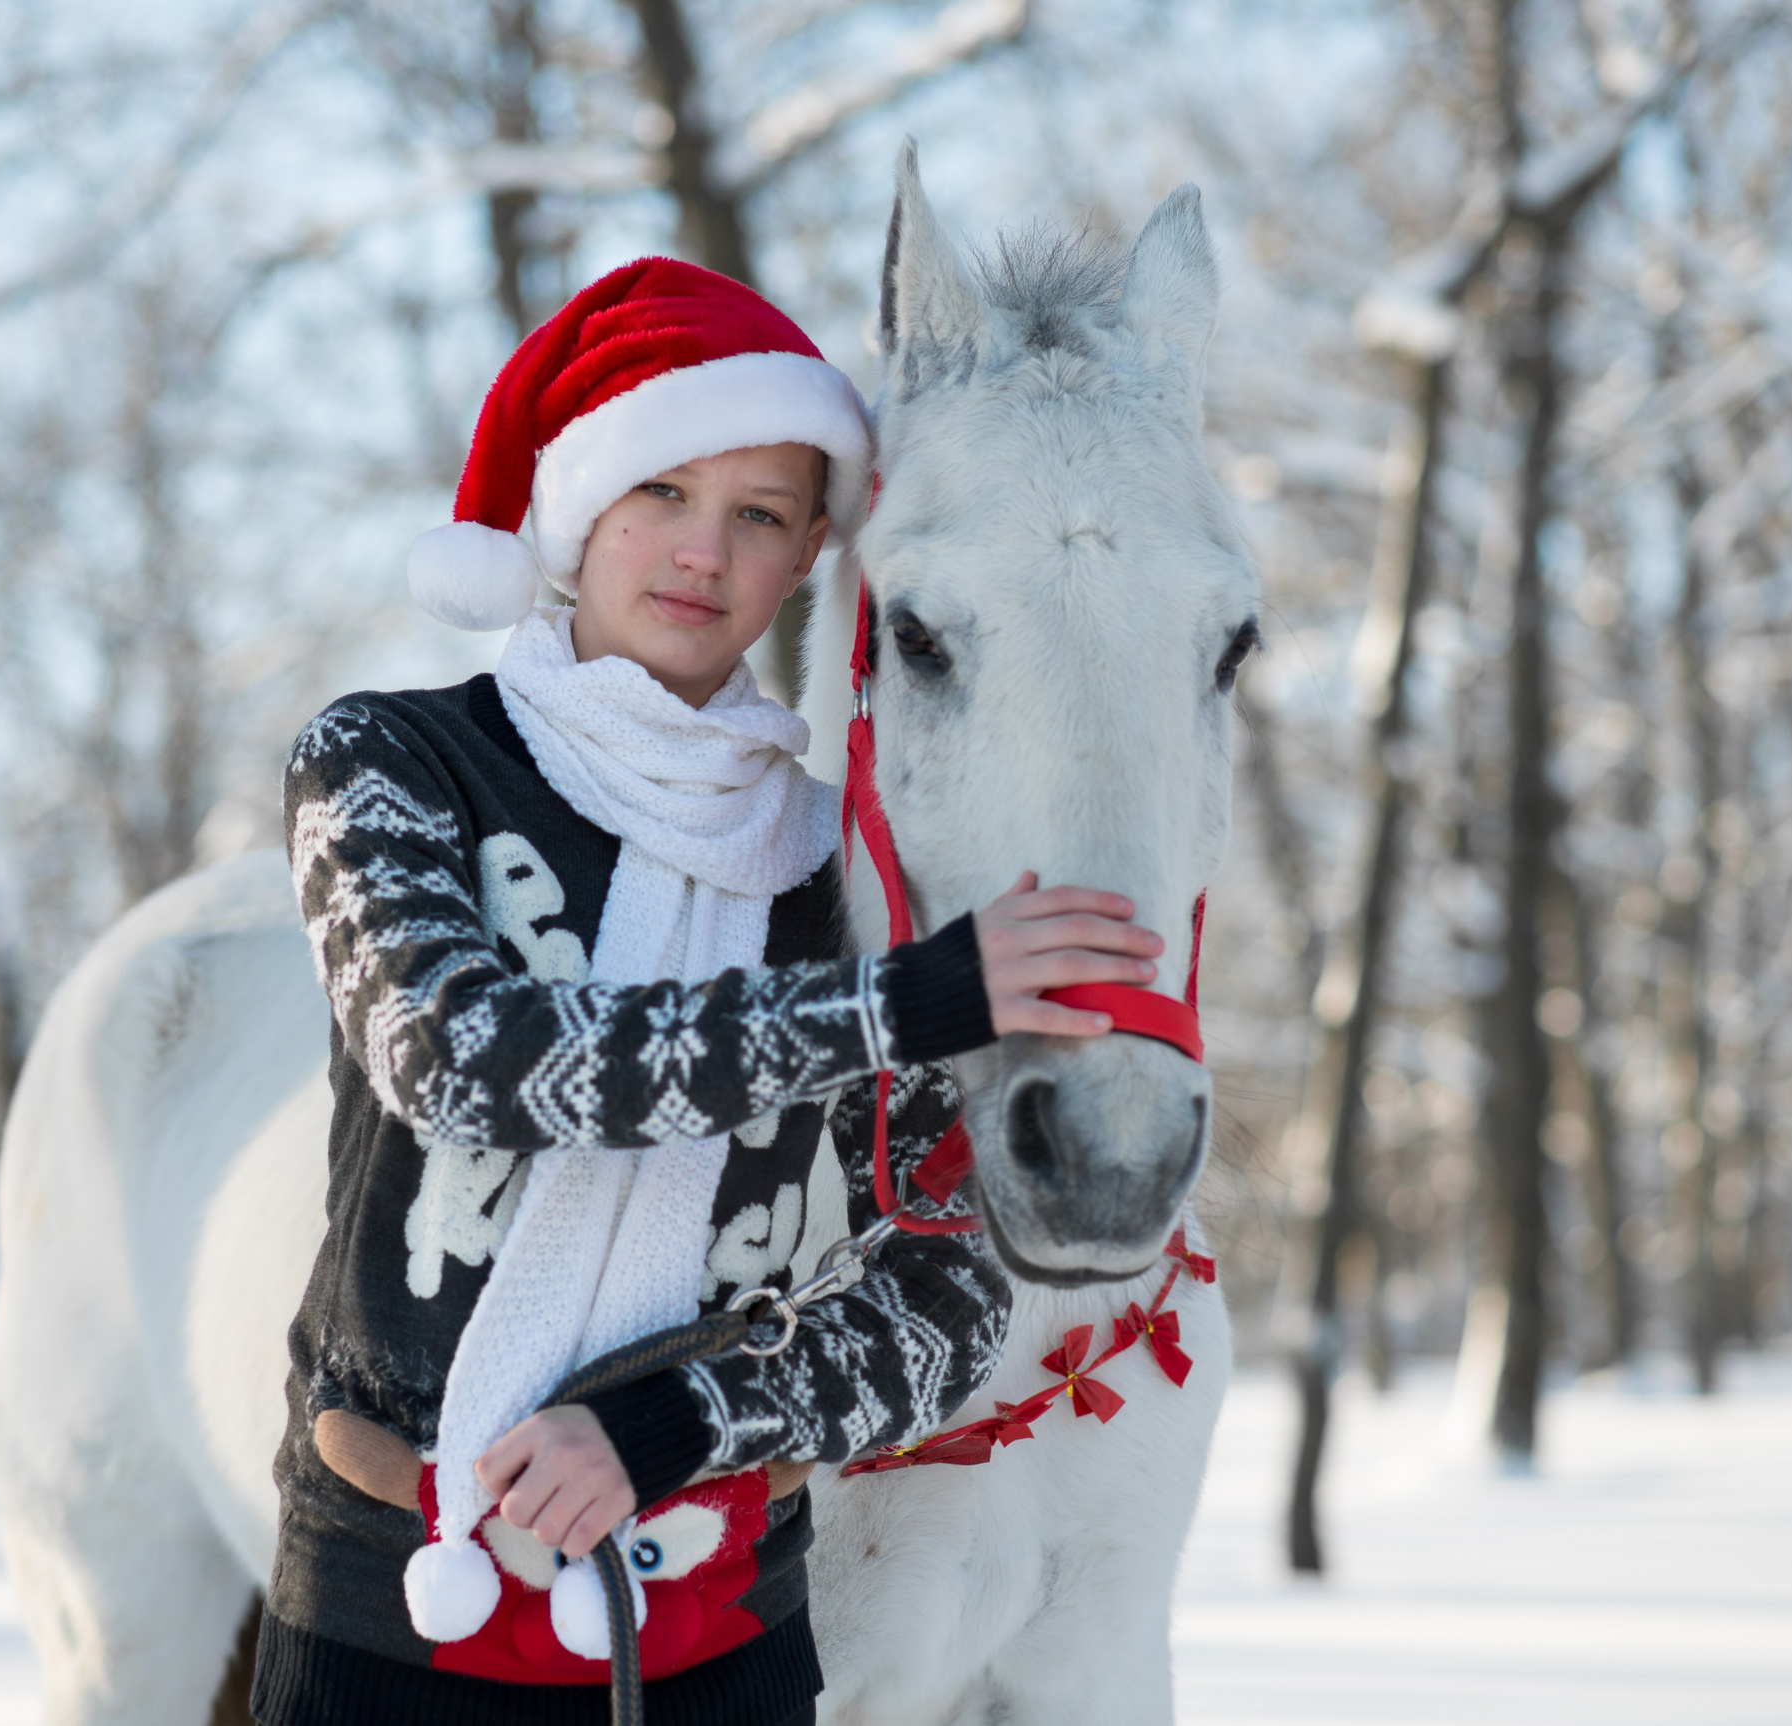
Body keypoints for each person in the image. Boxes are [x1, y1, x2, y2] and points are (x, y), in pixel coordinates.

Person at [253, 258, 1163, 1726]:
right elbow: (470, 1059)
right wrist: (896, 1007)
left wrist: (681, 1420)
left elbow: (951, 1288)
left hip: (722, 1632)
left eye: (758, 514)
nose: (701, 552)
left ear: (810, 552)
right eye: (660, 493)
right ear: (577, 513)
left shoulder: (848, 872)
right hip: (392, 1608)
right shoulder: (390, 762)